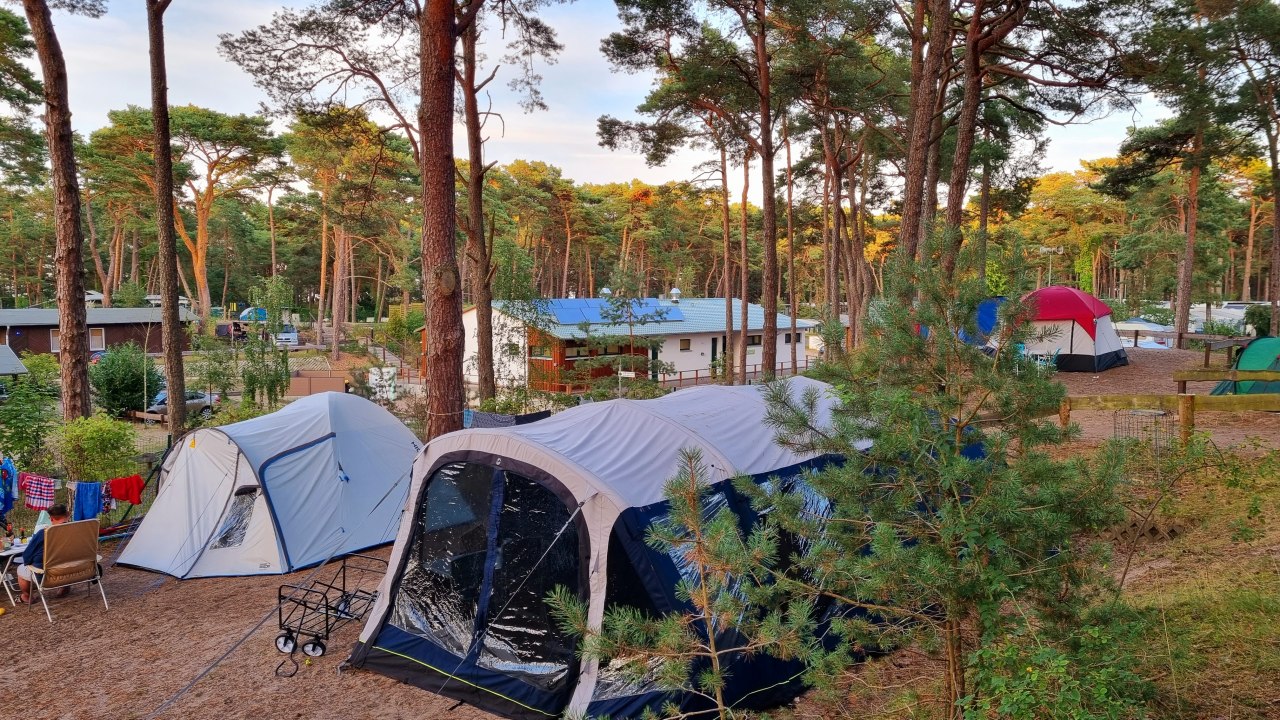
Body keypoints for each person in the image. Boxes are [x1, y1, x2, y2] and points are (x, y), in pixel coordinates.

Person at [17, 503, 69, 604]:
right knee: (64, 558)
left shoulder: (44, 533)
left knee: (21, 568)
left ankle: (27, 596)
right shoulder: (77, 530)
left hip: (47, 577)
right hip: (75, 571)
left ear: (51, 518)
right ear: (68, 514)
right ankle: (64, 586)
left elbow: (27, 557)